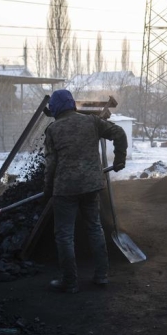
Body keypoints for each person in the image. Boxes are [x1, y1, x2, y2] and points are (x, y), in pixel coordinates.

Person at [43, 89, 127, 294]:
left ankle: (69, 282)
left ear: (55, 108)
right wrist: (119, 159)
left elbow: (51, 165)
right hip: (91, 186)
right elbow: (119, 133)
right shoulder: (91, 122)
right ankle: (101, 275)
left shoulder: (53, 129)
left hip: (66, 189)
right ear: (72, 104)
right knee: (94, 228)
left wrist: (47, 190)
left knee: (64, 235)